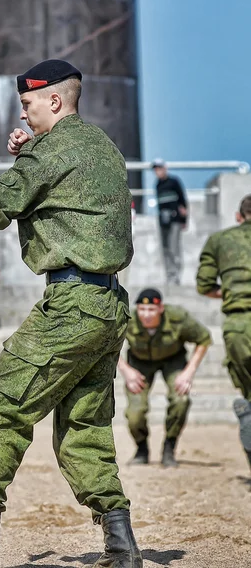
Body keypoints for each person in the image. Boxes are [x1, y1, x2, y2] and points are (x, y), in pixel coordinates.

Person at [0, 59, 143, 568]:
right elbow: (62, 186)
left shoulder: (48, 151)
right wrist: (29, 149)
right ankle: (121, 545)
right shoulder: (101, 146)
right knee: (85, 426)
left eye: (29, 105)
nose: (24, 114)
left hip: (72, 305)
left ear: (54, 100)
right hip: (109, 305)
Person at [118, 288, 211, 467]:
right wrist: (126, 370)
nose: (146, 314)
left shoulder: (177, 318)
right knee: (135, 412)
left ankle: (169, 446)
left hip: (173, 360)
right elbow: (106, 341)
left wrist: (188, 372)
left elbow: (204, 339)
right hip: (139, 363)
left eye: (151, 310)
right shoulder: (127, 319)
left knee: (180, 400)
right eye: (142, 309)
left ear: (161, 308)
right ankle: (141, 449)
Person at [196, 194, 251, 471]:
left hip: (239, 325)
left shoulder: (219, 240)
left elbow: (204, 285)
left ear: (238, 216)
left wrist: (232, 294)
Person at [151, 158, 188, 285]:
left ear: (164, 168)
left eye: (159, 168)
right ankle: (169, 275)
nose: (157, 171)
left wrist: (183, 220)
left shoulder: (174, 182)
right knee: (165, 249)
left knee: (174, 248)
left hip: (175, 220)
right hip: (163, 221)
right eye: (155, 169)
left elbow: (183, 202)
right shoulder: (157, 185)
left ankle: (176, 276)